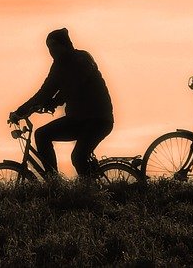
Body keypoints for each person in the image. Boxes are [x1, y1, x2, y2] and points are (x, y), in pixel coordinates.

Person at [9, 28, 114, 178]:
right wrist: (20, 112)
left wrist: (53, 102)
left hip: (98, 119)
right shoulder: (58, 66)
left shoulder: (82, 59)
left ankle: (91, 193)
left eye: (53, 46)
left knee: (78, 157)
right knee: (42, 135)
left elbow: (74, 86)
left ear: (64, 45)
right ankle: (53, 182)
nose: (51, 51)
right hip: (78, 119)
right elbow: (44, 91)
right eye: (49, 48)